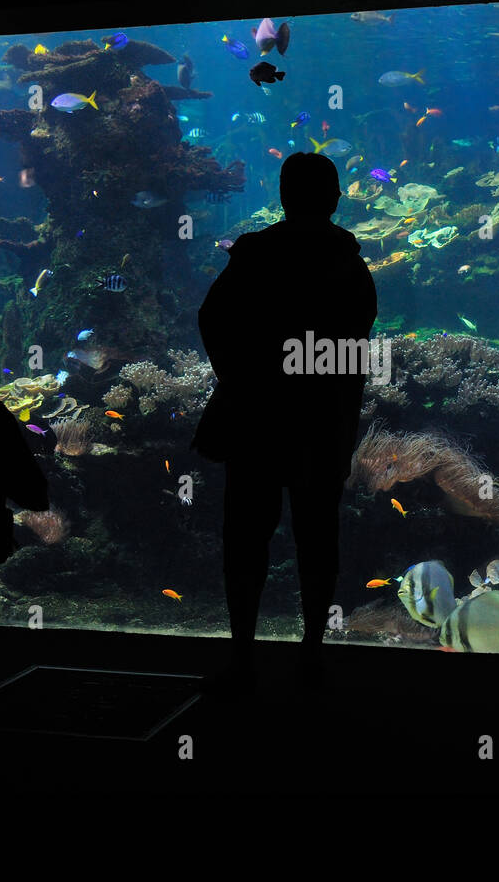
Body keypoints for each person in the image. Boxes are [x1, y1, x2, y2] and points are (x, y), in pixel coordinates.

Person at [196, 152, 377, 695]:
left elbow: (211, 318)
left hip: (255, 418)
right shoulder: (347, 262)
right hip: (321, 421)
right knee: (318, 533)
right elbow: (355, 348)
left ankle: (243, 652)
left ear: (283, 196)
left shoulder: (254, 254)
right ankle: (313, 649)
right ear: (333, 198)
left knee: (246, 534)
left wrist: (239, 378)